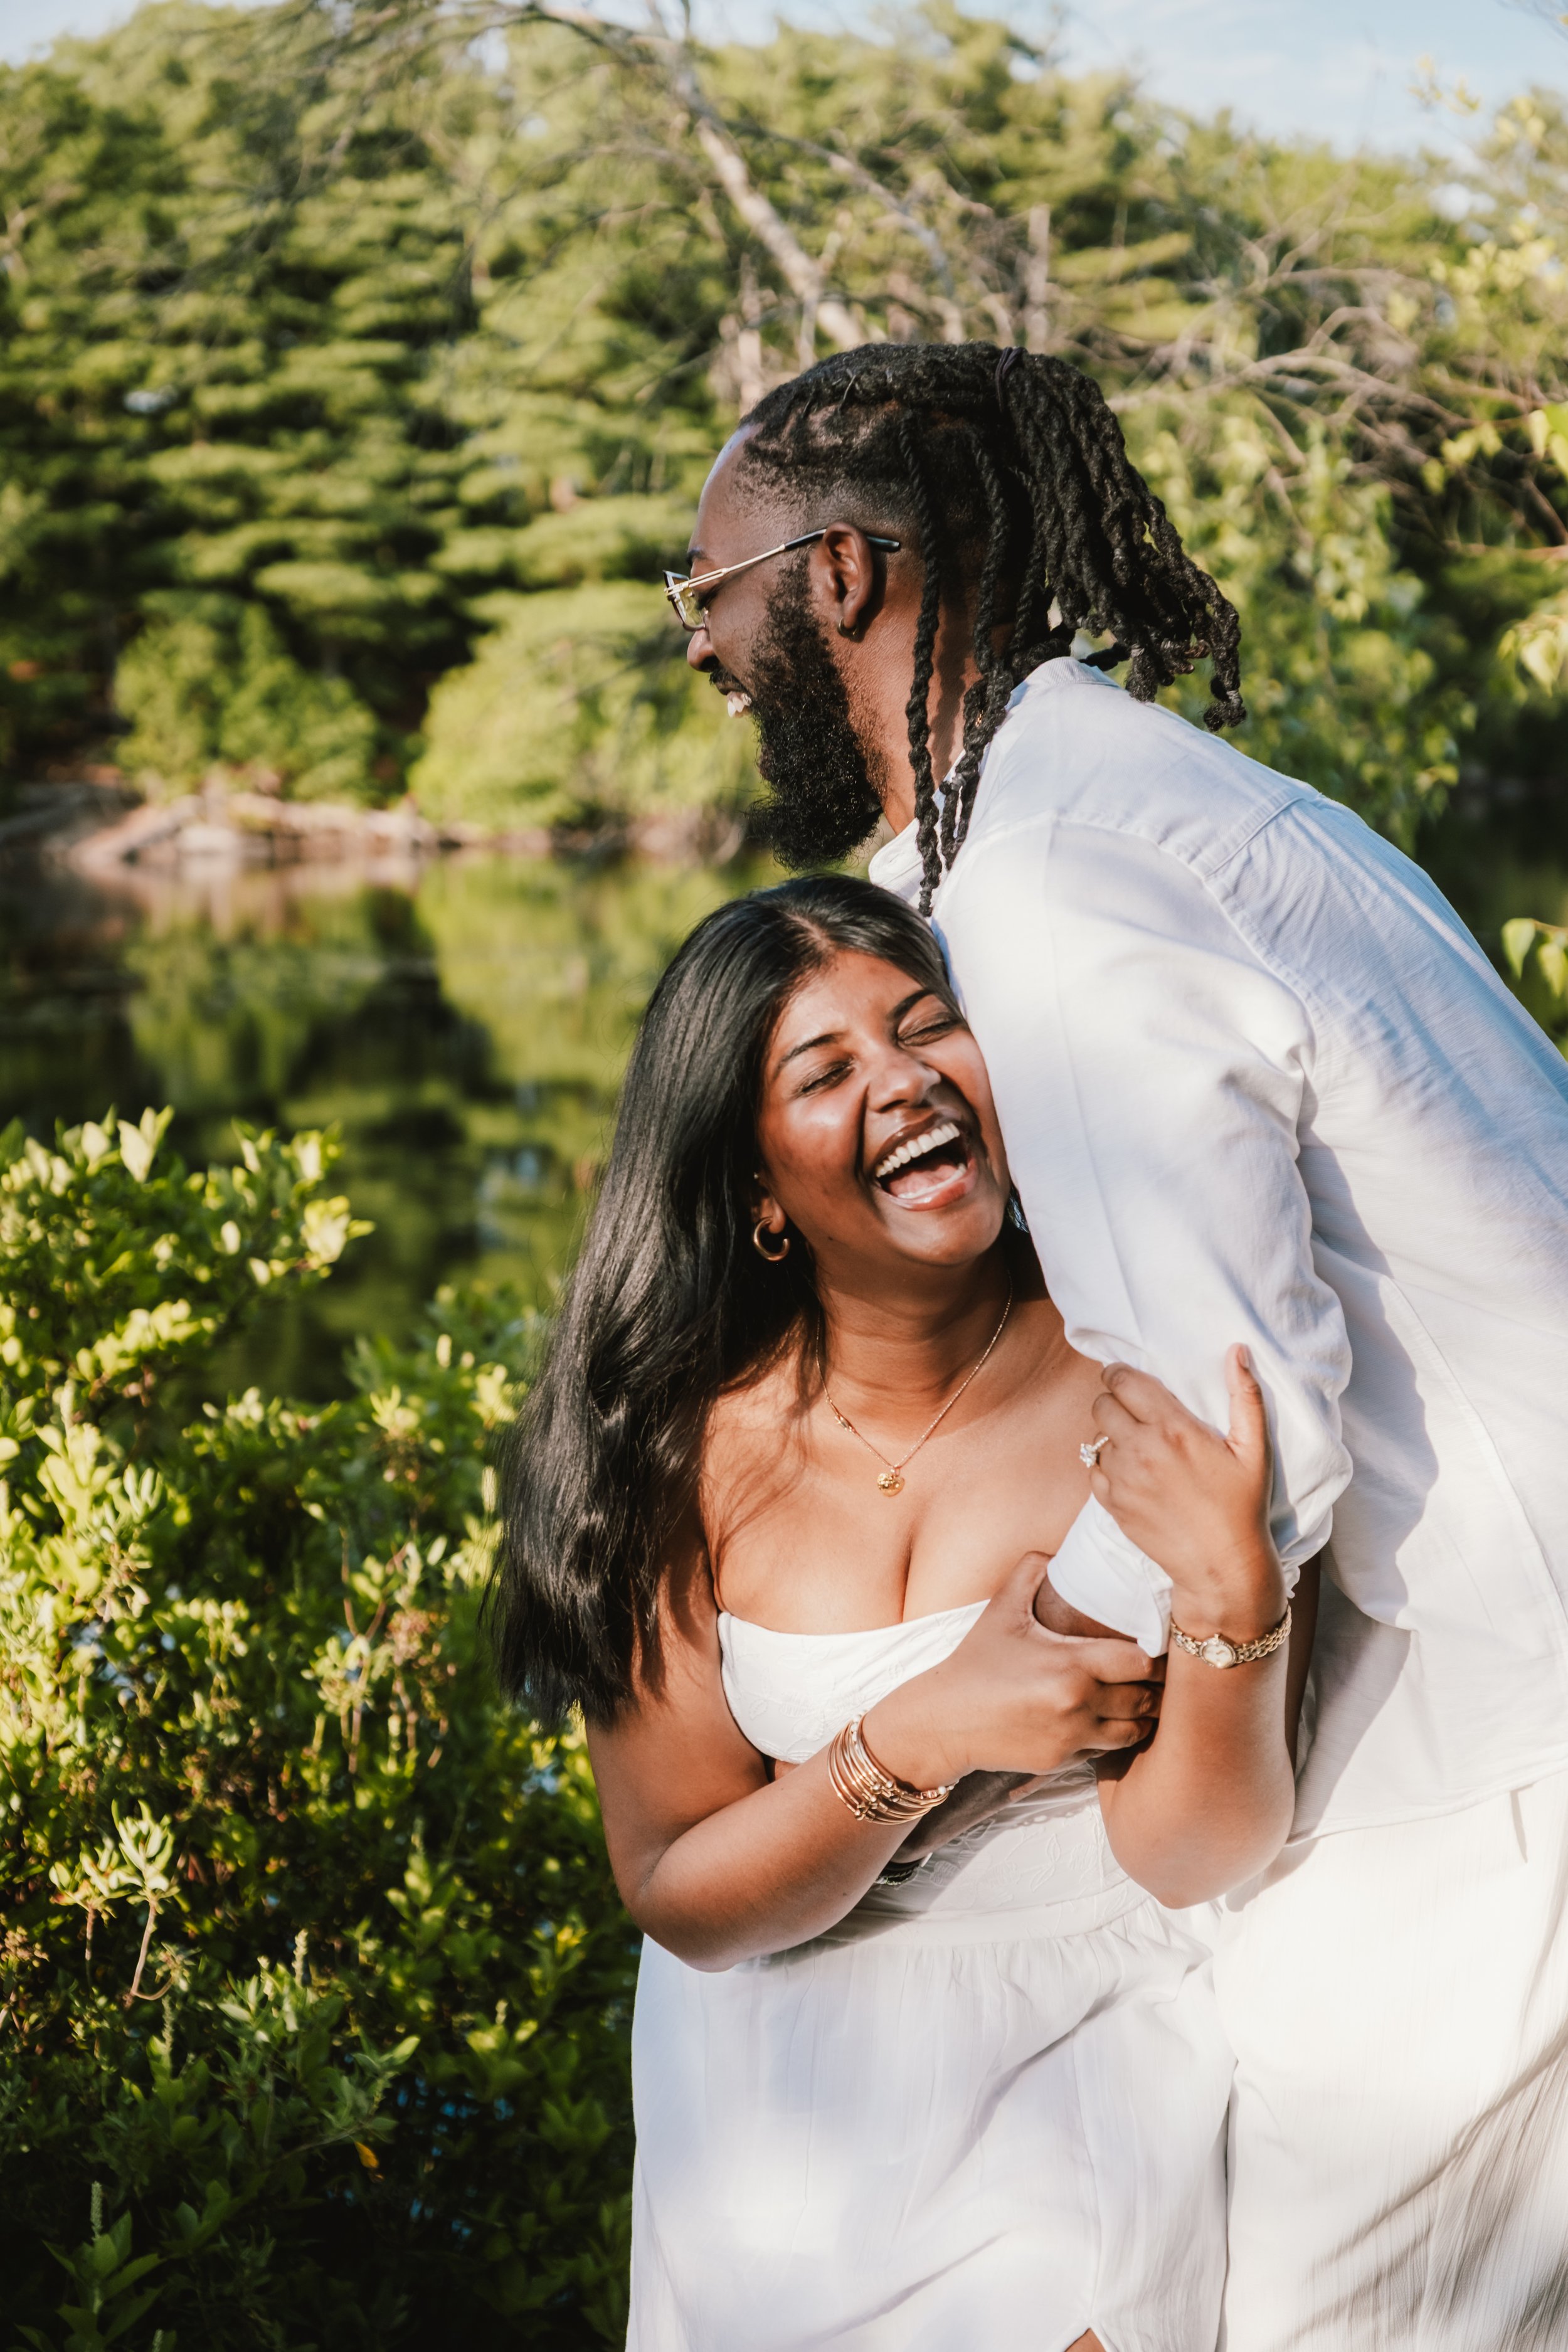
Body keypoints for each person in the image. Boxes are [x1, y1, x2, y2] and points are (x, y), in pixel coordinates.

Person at [667, 341, 1568, 2348]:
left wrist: (916, 1757)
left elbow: (1240, 1433)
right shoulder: (1073, 825)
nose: (699, 648)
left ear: (832, 581)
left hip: (1484, 1762)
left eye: (703, 591)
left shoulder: (1064, 887)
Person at [490, 876, 1311, 2352]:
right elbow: (678, 1891)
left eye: (929, 1027)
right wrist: (918, 1732)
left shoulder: (1141, 1368)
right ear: (753, 1191)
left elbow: (1195, 1849)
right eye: (826, 1071)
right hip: (762, 2117)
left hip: (1077, 2073)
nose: (905, 1080)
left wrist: (1233, 1603)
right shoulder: (667, 1456)